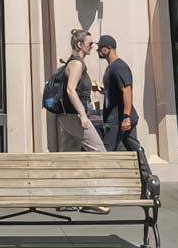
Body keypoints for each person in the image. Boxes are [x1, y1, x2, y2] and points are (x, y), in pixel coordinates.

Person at [58, 29, 107, 215]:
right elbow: (71, 90)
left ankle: (67, 200)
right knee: (99, 153)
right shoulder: (77, 64)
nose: (93, 46)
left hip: (66, 117)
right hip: (75, 118)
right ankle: (92, 199)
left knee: (70, 159)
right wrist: (83, 116)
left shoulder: (72, 63)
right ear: (79, 45)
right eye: (90, 43)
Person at [96, 35, 139, 153]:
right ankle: (145, 171)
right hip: (116, 117)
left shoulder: (119, 67)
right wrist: (103, 91)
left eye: (101, 48)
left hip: (118, 118)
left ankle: (144, 171)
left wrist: (126, 117)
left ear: (109, 48)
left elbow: (127, 90)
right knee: (133, 146)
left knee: (107, 150)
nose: (98, 51)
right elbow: (116, 92)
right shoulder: (111, 67)